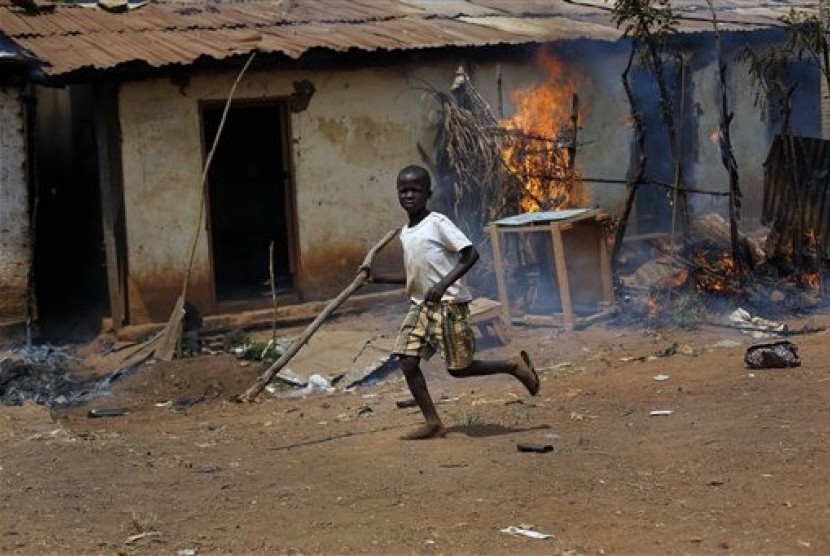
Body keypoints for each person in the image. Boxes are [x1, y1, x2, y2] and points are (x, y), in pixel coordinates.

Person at [361, 164, 540, 440]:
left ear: (427, 194)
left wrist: (443, 285)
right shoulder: (406, 232)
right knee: (406, 361)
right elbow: (415, 277)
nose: (409, 195)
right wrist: (378, 278)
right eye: (403, 190)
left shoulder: (437, 223)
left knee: (459, 369)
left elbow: (470, 255)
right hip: (420, 307)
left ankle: (513, 365)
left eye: (415, 190)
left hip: (449, 306)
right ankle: (432, 421)